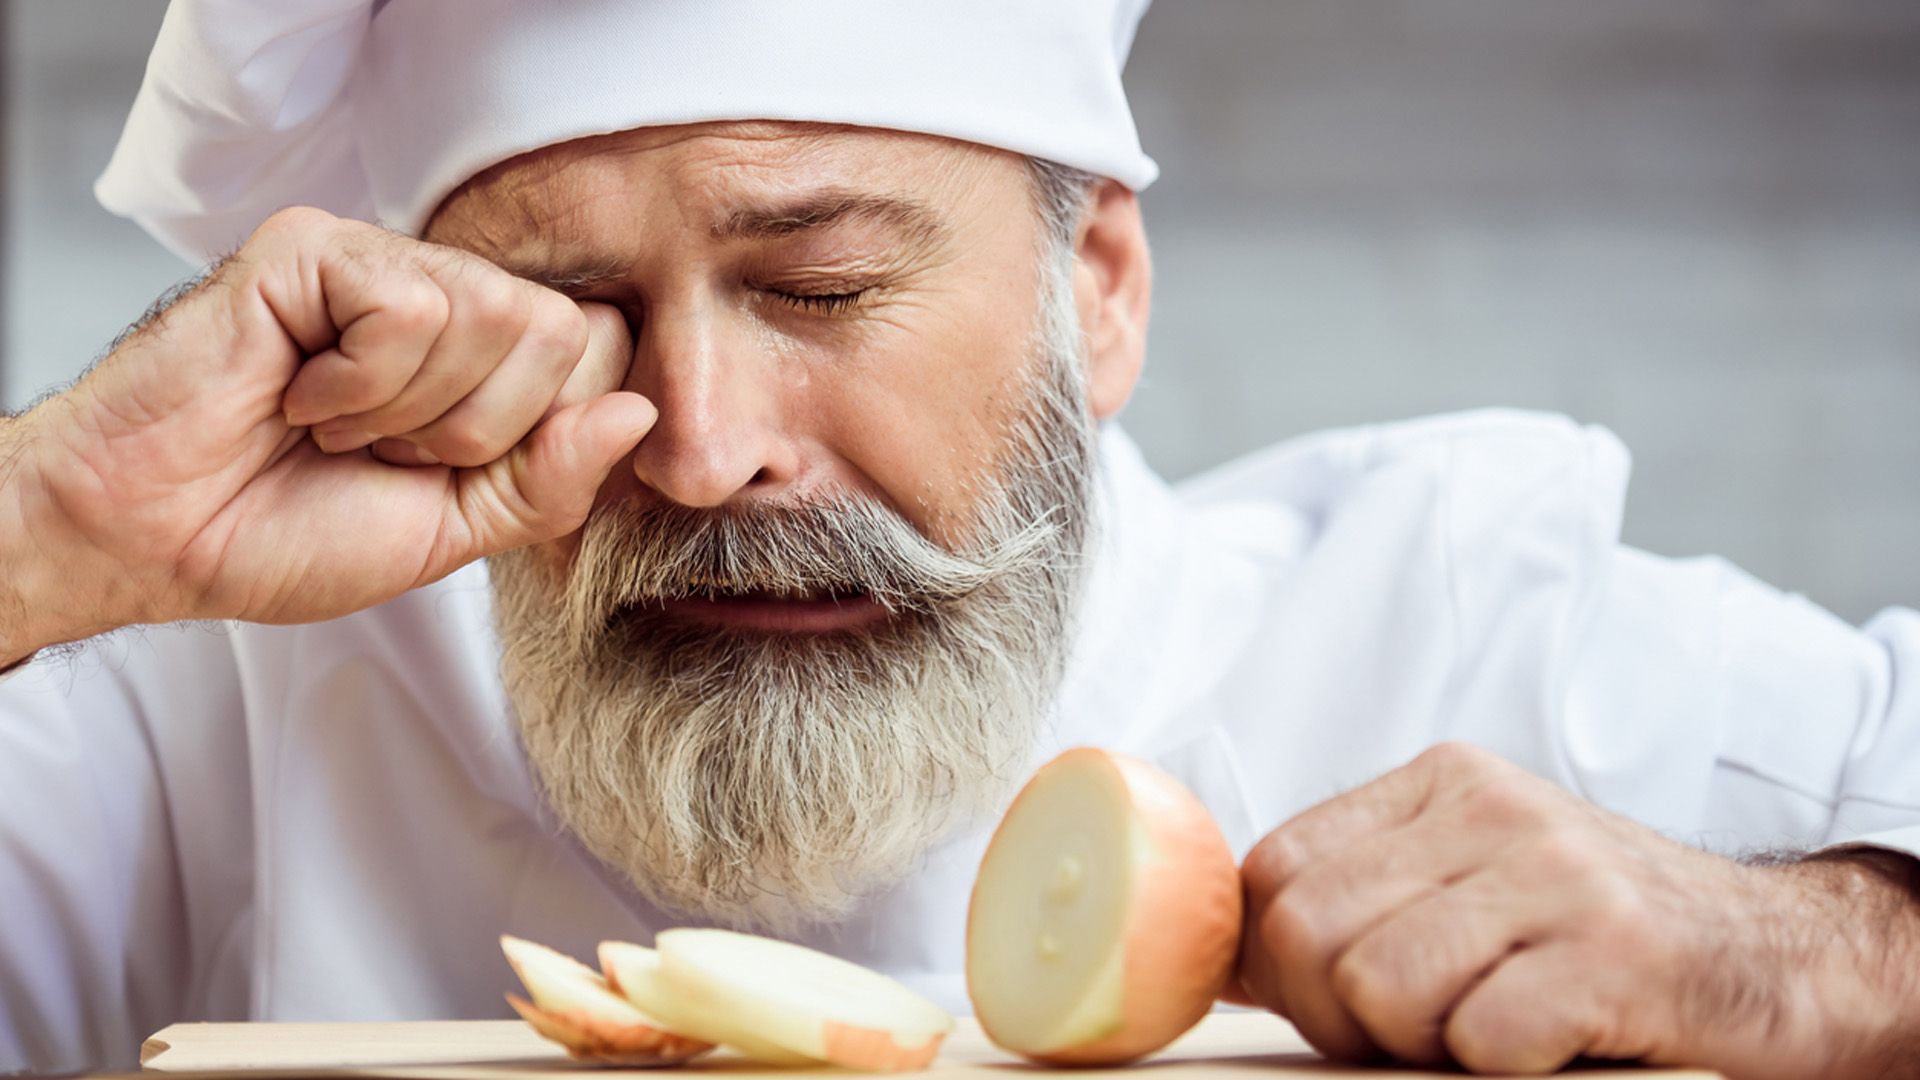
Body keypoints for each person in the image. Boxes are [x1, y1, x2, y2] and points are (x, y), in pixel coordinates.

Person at [2, 2, 1916, 1076]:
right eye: (573, 316)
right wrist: (47, 529)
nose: (706, 454)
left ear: (1100, 292)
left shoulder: (1462, 631)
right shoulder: (220, 710)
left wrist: (1788, 949)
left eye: (821, 291)